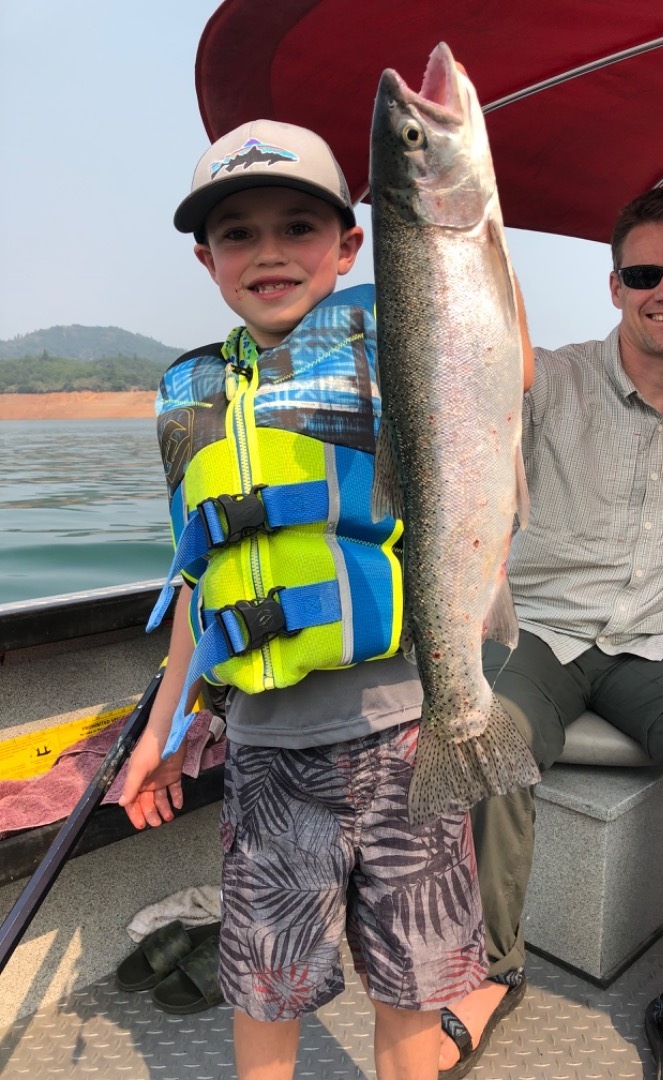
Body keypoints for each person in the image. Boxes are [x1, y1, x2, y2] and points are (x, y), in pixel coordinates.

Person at [119, 119, 490, 1080]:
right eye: (238, 233)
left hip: (412, 732)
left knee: (414, 992)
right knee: (266, 991)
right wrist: (160, 738)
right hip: (269, 756)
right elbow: (200, 591)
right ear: (207, 259)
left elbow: (494, 368)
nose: (270, 251)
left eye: (299, 226)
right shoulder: (187, 396)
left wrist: (456, 213)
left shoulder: (395, 344)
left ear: (352, 245)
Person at [437, 188, 663, 1080]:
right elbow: (479, 375)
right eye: (643, 273)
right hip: (542, 629)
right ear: (615, 286)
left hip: (655, 642)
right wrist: (464, 225)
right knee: (489, 726)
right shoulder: (550, 379)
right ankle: (488, 965)